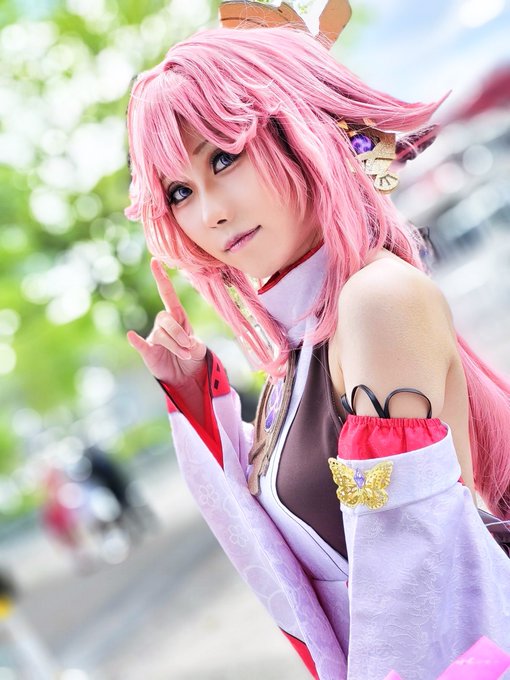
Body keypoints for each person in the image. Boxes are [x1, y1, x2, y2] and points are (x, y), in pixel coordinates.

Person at [124, 2, 510, 678]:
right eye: (179, 192)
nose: (210, 212)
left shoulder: (377, 301)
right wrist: (196, 394)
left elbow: (405, 579)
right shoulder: (297, 358)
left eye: (224, 158)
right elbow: (283, 563)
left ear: (298, 135)